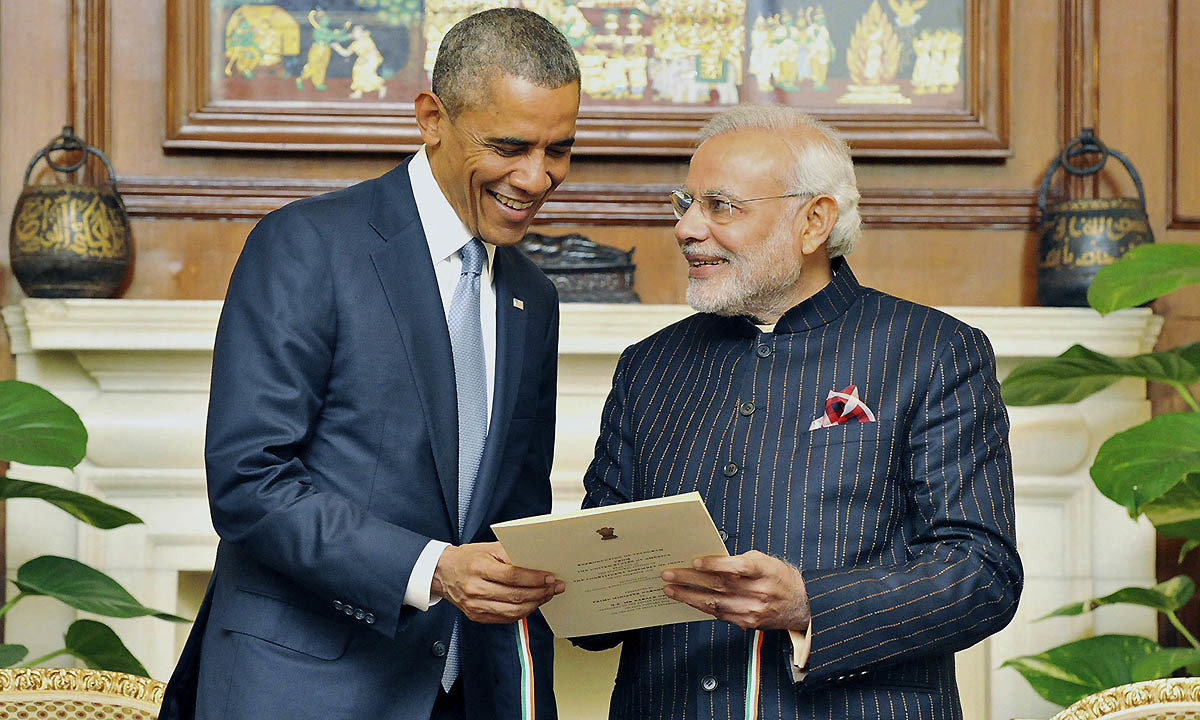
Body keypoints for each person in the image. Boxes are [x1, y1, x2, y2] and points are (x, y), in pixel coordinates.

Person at [161, 9, 580, 720]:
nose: (537, 177)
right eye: (509, 145)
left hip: (462, 696)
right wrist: (433, 570)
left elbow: (512, 523)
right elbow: (248, 481)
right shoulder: (306, 246)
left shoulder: (532, 299)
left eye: (560, 149)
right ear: (431, 117)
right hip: (296, 690)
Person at [574, 105, 1023, 719]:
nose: (686, 228)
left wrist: (812, 603)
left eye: (720, 206)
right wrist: (559, 582)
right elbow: (598, 598)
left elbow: (982, 575)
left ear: (814, 221)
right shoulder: (647, 367)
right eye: (685, 203)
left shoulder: (933, 351)